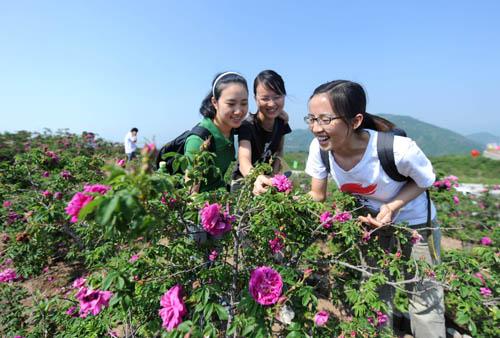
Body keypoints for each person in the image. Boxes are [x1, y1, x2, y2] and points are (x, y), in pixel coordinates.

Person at [253, 80, 445, 337]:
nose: (315, 128)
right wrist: (279, 195)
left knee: (424, 297)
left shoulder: (397, 150)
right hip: (371, 225)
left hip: (416, 224)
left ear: (355, 121)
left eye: (325, 119)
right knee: (375, 293)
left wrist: (392, 206)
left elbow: (424, 181)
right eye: (311, 118)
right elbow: (316, 196)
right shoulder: (320, 150)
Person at [184, 72, 249, 193]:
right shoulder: (199, 140)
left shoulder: (231, 127)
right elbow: (191, 194)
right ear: (215, 102)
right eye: (231, 104)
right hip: (203, 207)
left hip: (219, 200)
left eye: (244, 103)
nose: (239, 111)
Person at [231, 70, 292, 191]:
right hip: (243, 181)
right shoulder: (247, 126)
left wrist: (273, 179)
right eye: (265, 98)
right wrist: (257, 178)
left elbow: (279, 152)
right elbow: (244, 160)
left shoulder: (281, 123)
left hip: (267, 181)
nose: (272, 103)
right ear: (255, 99)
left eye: (277, 97)